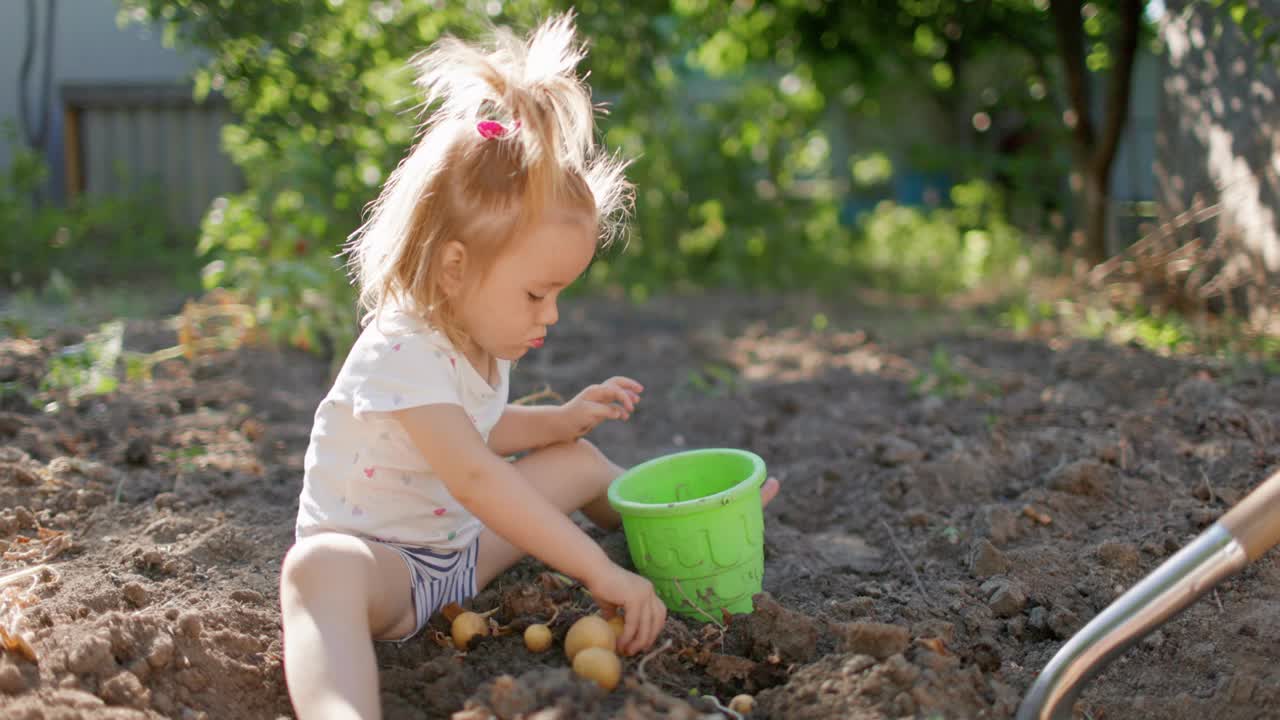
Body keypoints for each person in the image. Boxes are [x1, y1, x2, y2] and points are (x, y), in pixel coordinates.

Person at [278, 14, 780, 720]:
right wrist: (595, 571)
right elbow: (474, 472)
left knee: (577, 459)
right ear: (455, 268)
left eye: (559, 294)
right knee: (316, 571)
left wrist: (558, 422)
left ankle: (689, 530)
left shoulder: (478, 337)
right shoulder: (402, 349)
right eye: (537, 294)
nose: (550, 314)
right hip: (384, 571)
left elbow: (480, 428)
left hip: (456, 556)